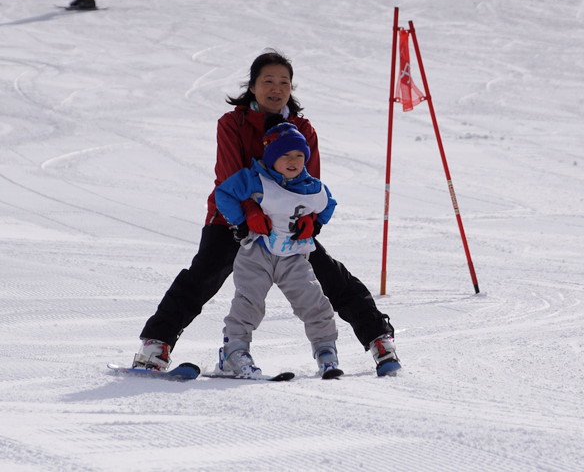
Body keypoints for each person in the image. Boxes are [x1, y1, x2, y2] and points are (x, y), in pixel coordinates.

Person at [133, 49, 401, 376]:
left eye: (284, 82)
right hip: (233, 219)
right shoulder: (233, 123)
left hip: (285, 226)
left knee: (327, 275)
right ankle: (155, 346)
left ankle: (379, 340)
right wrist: (248, 217)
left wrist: (308, 221)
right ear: (253, 86)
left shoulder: (303, 127)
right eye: (268, 81)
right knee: (205, 274)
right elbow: (228, 177)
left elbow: (310, 182)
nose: (276, 88)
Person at [215, 121, 339, 378]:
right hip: (257, 252)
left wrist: (313, 225)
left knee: (312, 299)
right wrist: (240, 220)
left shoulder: (312, 186)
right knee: (249, 302)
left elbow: (328, 204)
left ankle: (325, 349)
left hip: (293, 255)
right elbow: (224, 193)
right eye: (285, 155)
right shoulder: (256, 179)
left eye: (299, 156)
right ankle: (234, 351)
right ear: (271, 158)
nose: (293, 161)